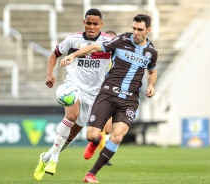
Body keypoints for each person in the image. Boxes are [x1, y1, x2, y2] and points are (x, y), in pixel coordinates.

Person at [60, 14, 157, 183]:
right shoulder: (122, 40)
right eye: (133, 28)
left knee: (117, 135)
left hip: (129, 100)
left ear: (148, 30)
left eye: (139, 30)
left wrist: (151, 85)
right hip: (108, 94)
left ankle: (91, 174)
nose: (135, 32)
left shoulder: (151, 53)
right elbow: (94, 47)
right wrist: (73, 56)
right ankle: (95, 141)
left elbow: (152, 71)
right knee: (92, 135)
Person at [33, 8, 113, 181]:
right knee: (71, 115)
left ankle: (45, 157)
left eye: (95, 24)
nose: (92, 27)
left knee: (71, 135)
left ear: (101, 25)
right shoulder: (72, 39)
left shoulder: (108, 42)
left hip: (94, 94)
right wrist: (49, 74)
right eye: (89, 23)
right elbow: (54, 55)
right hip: (73, 85)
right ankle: (54, 159)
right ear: (83, 22)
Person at [98, 30, 117, 166]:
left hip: (113, 92)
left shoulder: (119, 56)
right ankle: (103, 155)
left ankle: (97, 142)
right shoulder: (101, 55)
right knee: (103, 127)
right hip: (100, 93)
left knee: (109, 129)